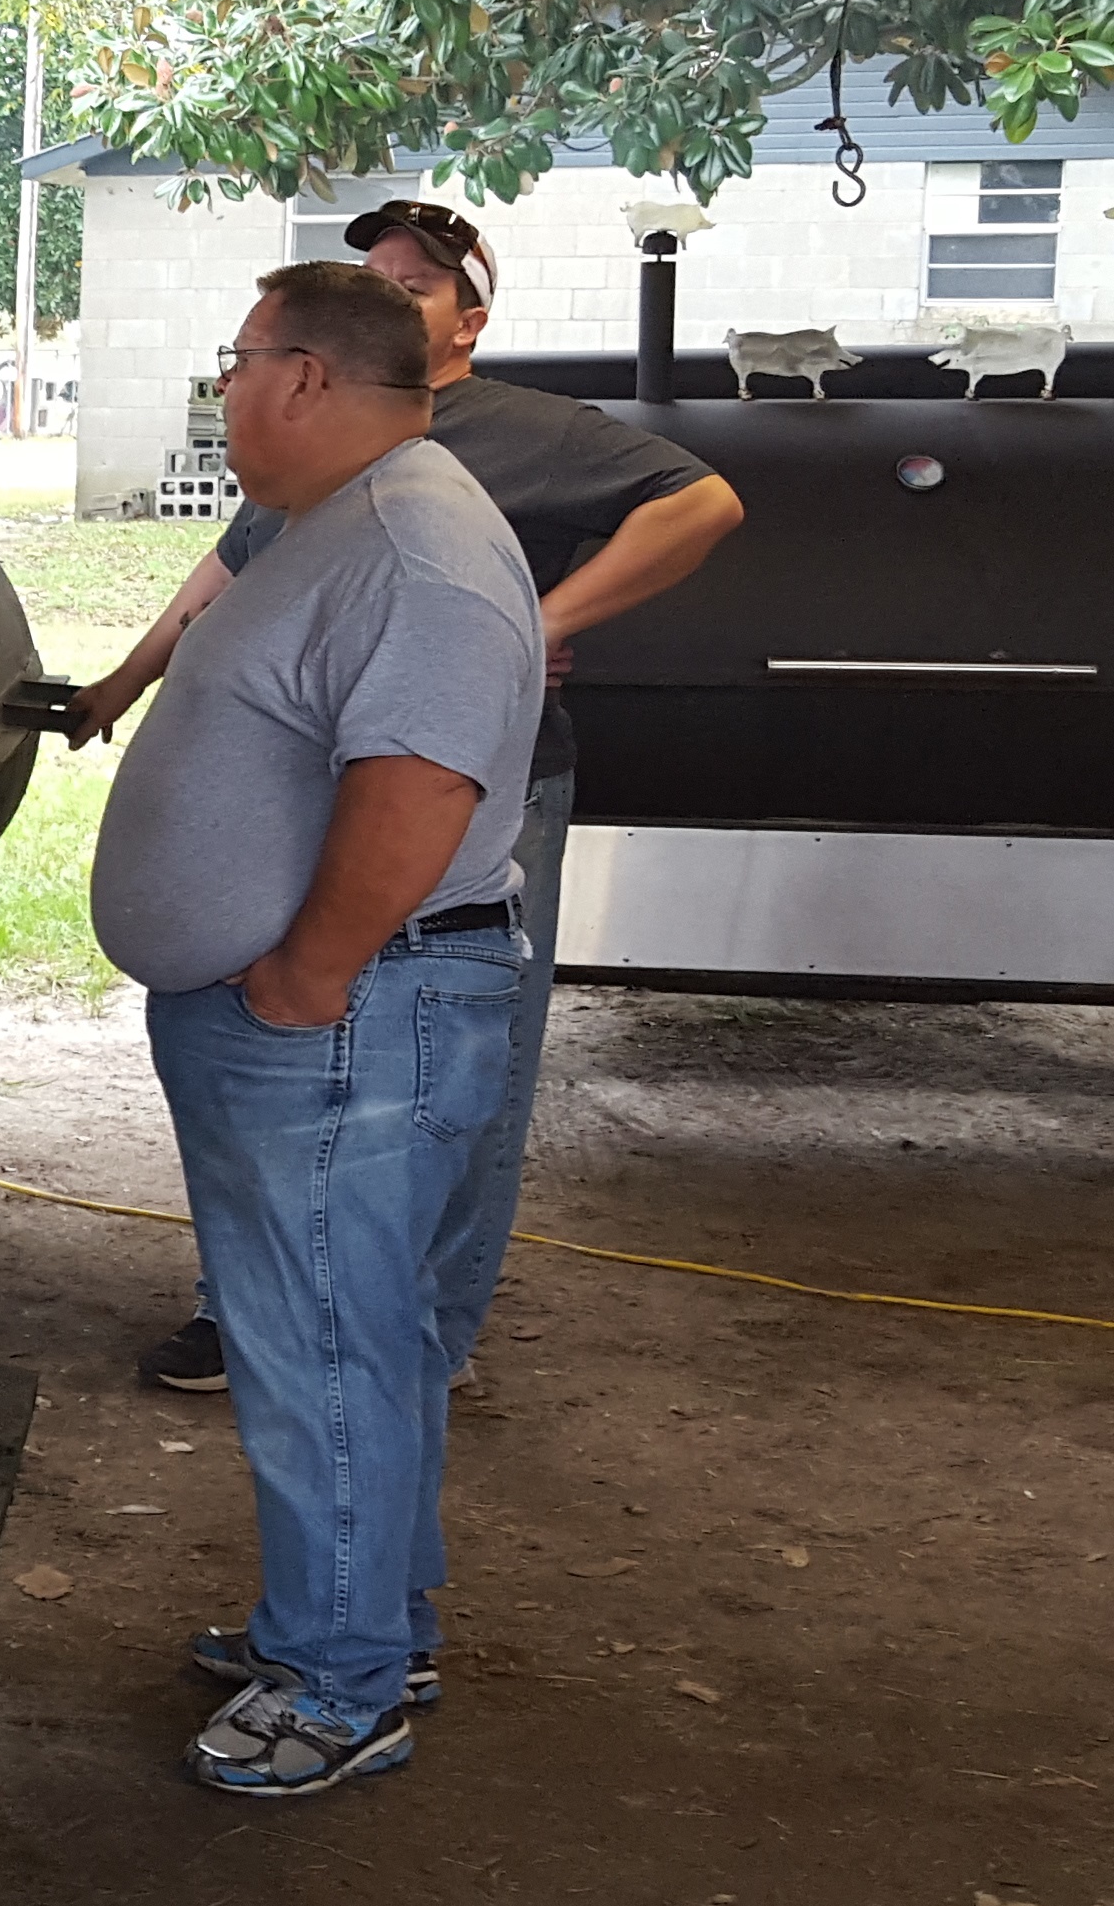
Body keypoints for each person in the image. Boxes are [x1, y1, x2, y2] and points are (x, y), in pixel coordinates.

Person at [81, 200, 744, 1396]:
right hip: (320, 775)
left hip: (469, 783)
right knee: (307, 1093)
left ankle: (418, 1334)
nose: (389, 296)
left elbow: (702, 502)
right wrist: (123, 682)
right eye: (369, 278)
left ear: (465, 324)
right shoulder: (317, 454)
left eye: (418, 286)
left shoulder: (512, 438)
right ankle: (259, 1312)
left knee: (429, 1070)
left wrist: (537, 622)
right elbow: (229, 566)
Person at [93, 263, 543, 1798]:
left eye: (234, 363)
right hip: (333, 1006)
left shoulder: (417, 549)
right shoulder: (335, 523)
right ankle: (361, 1621)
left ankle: (341, 1687)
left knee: (323, 1351)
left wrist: (308, 972)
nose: (224, 392)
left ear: (301, 378)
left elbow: (418, 788)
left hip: (355, 1008)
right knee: (357, 1342)